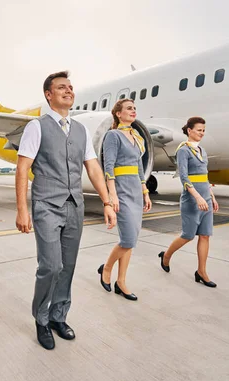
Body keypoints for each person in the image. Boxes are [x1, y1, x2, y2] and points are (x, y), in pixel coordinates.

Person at [15, 71, 117, 350]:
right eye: (62, 87)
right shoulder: (37, 127)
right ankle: (41, 318)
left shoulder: (81, 130)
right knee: (50, 265)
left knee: (68, 266)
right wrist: (22, 209)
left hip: (75, 206)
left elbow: (93, 168)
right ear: (49, 94)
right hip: (46, 204)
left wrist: (107, 202)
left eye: (70, 88)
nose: (68, 91)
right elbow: (23, 167)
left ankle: (59, 316)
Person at [98, 99, 151, 301]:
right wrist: (112, 195)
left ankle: (121, 282)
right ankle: (107, 269)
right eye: (129, 108)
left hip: (136, 191)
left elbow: (139, 167)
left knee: (131, 241)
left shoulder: (136, 137)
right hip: (121, 189)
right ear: (118, 114)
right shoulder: (113, 136)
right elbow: (108, 166)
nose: (133, 111)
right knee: (128, 239)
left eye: (135, 108)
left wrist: (145, 192)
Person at [157, 117, 219, 288]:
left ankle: (202, 272)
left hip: (205, 198)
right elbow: (184, 178)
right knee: (188, 235)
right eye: (199, 130)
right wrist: (198, 197)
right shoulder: (183, 150)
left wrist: (211, 196)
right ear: (189, 130)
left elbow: (204, 176)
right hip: (192, 199)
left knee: (205, 235)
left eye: (203, 130)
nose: (202, 133)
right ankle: (166, 256)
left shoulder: (202, 151)